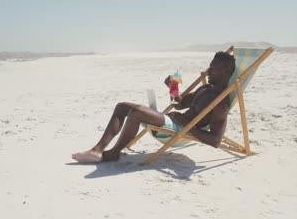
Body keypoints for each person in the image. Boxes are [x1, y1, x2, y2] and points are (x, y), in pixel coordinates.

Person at [71, 51, 236, 163]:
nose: (208, 71)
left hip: (179, 131)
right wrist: (173, 87)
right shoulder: (205, 89)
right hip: (174, 121)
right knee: (121, 106)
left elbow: (215, 140)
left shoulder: (220, 102)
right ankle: (97, 149)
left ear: (226, 70)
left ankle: (114, 153)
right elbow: (178, 104)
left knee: (136, 112)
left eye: (213, 68)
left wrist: (186, 125)